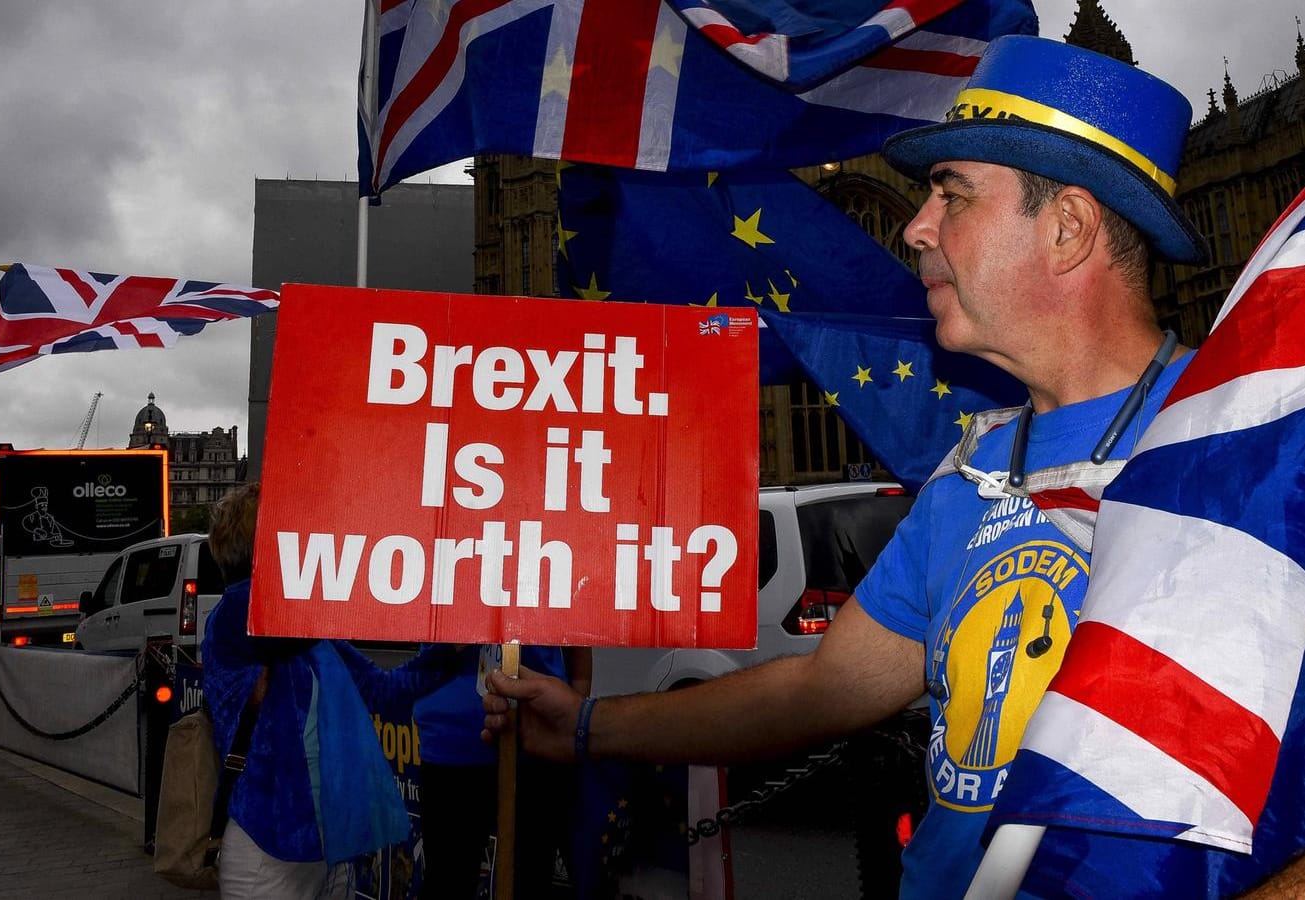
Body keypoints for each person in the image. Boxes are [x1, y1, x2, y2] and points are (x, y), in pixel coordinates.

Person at [483, 36, 1304, 898]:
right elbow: (818, 689)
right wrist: (584, 725)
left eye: (951, 193)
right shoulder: (973, 472)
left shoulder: (1254, 446)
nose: (914, 226)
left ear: (1066, 227)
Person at [202, 483, 462, 899]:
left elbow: (385, 691)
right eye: (297, 532)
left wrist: (451, 653)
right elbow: (280, 635)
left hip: (331, 844)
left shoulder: (313, 629)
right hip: (268, 847)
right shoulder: (239, 613)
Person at [414, 643, 590, 898]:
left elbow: (579, 639)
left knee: (531, 880)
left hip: (540, 734)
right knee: (447, 881)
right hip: (451, 738)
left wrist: (575, 719)